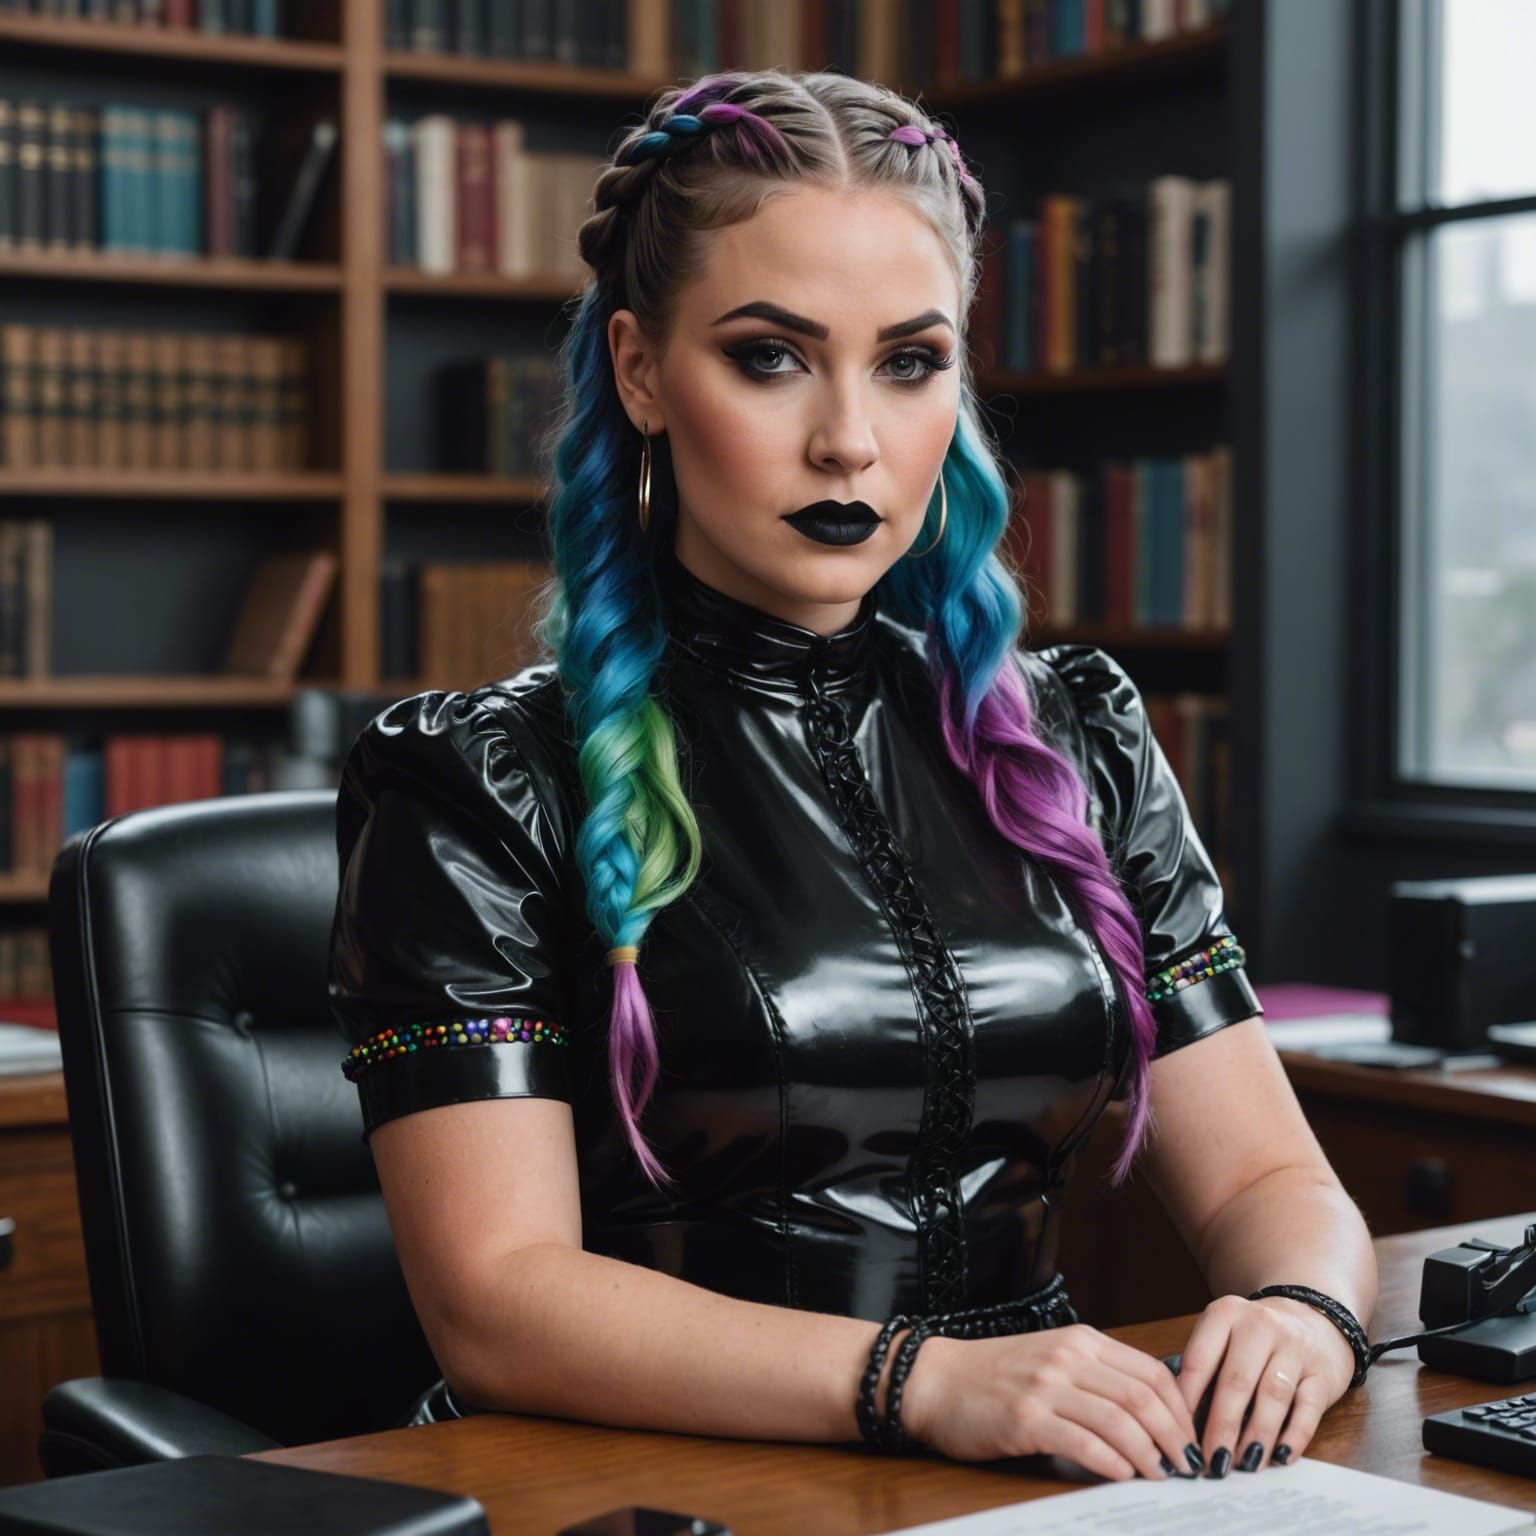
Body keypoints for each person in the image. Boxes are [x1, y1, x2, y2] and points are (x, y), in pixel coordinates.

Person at [328, 66, 1378, 1483]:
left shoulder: (1081, 737)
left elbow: (1266, 1178)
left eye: (909, 361)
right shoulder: (477, 783)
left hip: (1044, 1474)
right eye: (770, 356)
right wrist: (921, 1383)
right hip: (640, 1489)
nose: (850, 439)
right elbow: (498, 1304)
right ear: (640, 370)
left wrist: (1305, 1310)